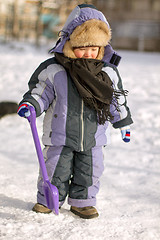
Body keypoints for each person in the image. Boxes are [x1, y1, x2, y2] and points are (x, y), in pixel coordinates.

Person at [17, 4, 133, 219]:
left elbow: (116, 100)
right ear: (70, 43)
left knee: (89, 171)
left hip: (93, 136)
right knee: (54, 170)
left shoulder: (107, 73)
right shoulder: (55, 69)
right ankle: (48, 200)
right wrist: (31, 105)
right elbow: (40, 93)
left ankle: (83, 202)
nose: (88, 53)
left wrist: (123, 123)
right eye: (83, 47)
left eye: (94, 48)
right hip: (60, 135)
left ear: (102, 48)